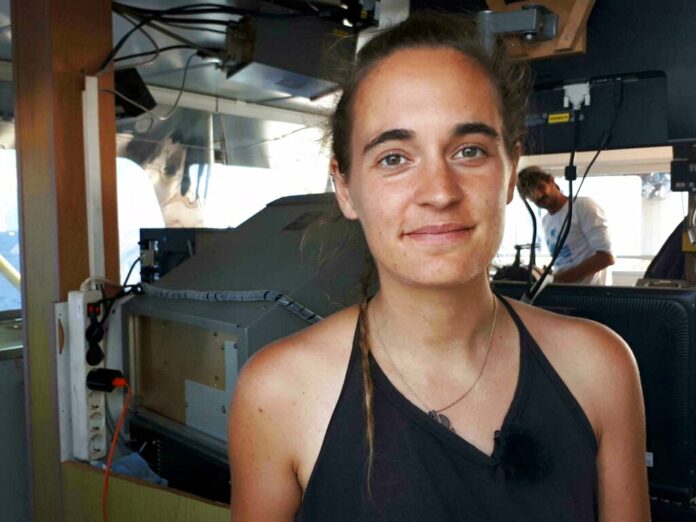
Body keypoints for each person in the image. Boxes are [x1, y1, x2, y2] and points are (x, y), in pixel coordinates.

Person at [228, 13, 649, 521]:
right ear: (345, 187)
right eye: (394, 158)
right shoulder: (276, 393)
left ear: (510, 171)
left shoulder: (601, 368)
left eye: (469, 151)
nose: (440, 192)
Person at [517, 166, 615, 284]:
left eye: (540, 187)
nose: (538, 195)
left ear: (551, 180)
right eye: (530, 194)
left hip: (591, 296)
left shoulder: (582, 206)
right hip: (566, 293)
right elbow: (564, 262)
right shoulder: (546, 220)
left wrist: (557, 280)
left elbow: (606, 257)